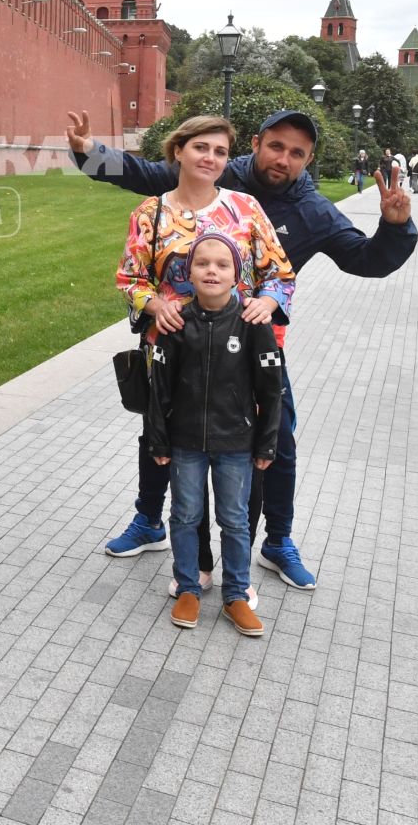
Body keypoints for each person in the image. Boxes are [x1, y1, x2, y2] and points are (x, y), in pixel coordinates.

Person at [68, 107, 417, 591]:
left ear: (308, 159)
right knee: (161, 431)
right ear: (256, 143)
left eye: (297, 153)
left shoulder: (310, 210)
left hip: (248, 349)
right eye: (276, 146)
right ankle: (150, 520)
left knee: (277, 441)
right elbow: (141, 175)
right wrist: (88, 153)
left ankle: (277, 541)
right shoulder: (216, 168)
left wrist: (395, 229)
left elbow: (363, 259)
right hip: (177, 341)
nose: (284, 159)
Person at [112, 115, 293, 601]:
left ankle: (239, 568)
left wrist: (268, 301)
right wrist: (157, 304)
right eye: (200, 148)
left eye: (219, 150)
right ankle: (189, 559)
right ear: (179, 151)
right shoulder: (150, 213)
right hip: (172, 349)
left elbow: (280, 274)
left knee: (240, 456)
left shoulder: (245, 209)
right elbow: (131, 279)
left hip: (238, 353)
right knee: (168, 443)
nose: (210, 158)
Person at [143, 233, 281, 636]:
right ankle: (188, 586)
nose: (212, 271)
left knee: (235, 520)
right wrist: (159, 439)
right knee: (185, 515)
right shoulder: (175, 322)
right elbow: (159, 389)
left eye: (222, 265)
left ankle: (236, 594)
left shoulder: (254, 323)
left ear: (237, 275)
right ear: (189, 273)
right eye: (203, 263)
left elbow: (271, 389)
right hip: (185, 442)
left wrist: (267, 441)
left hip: (236, 443)